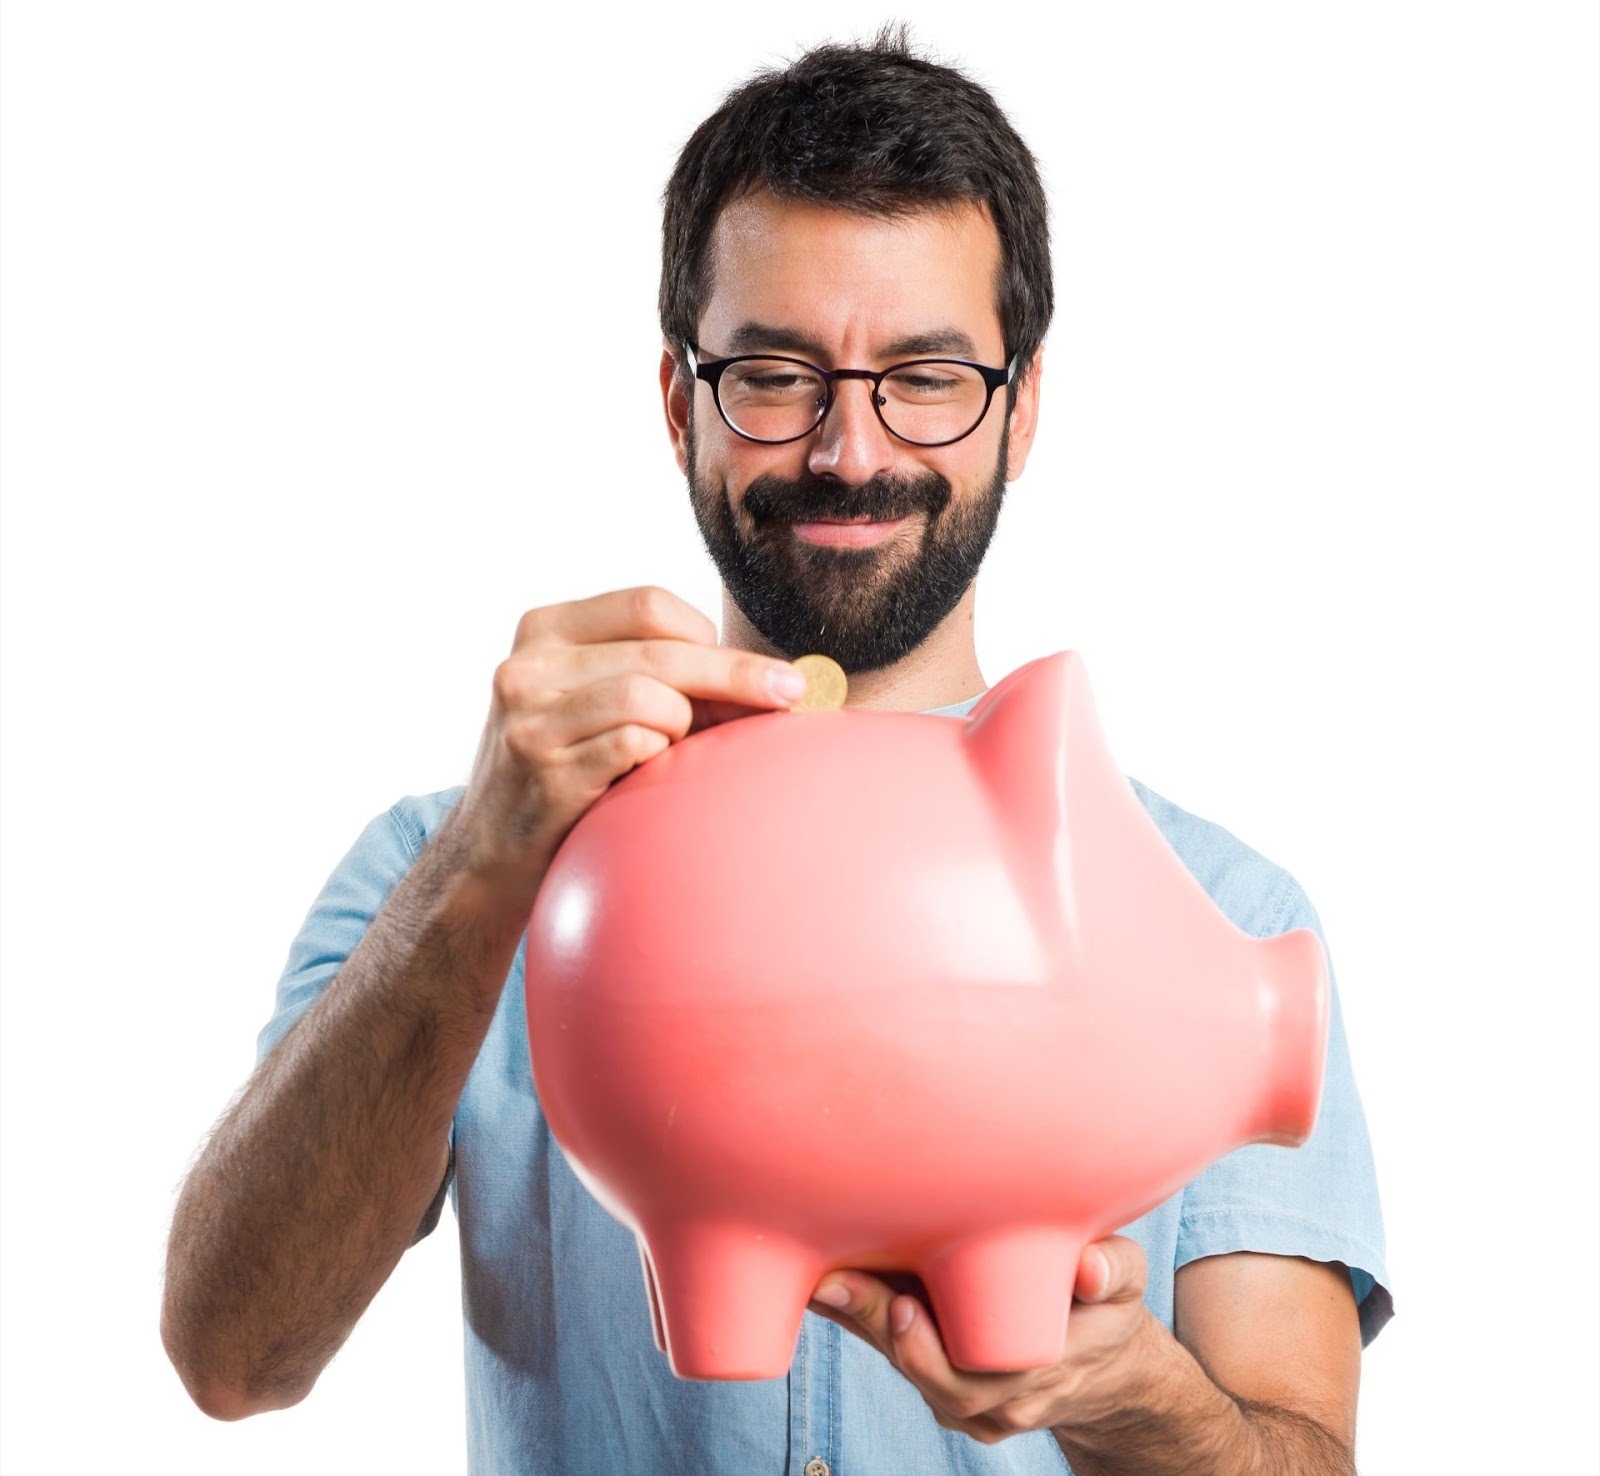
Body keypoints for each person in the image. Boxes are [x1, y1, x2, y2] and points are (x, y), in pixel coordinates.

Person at [161, 27, 1391, 1475]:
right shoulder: (452, 868)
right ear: (681, 399)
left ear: (1025, 407)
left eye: (928, 376)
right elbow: (233, 1358)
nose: (851, 449)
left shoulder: (1219, 910)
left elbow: (1298, 1455)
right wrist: (484, 874)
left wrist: (1127, 1394)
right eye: (776, 373)